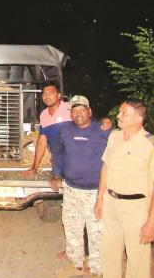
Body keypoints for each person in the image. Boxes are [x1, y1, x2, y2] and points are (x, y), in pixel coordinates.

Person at [94, 99, 154, 278]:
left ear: (138, 119)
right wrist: (100, 198)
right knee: (110, 253)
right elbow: (106, 167)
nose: (118, 116)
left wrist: (152, 222)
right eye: (120, 112)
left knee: (138, 259)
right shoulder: (114, 136)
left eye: (124, 114)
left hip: (137, 209)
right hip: (111, 204)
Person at [49, 95, 111, 276]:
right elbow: (58, 153)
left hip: (95, 192)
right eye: (74, 111)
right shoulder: (65, 130)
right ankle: (76, 263)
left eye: (82, 110)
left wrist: (110, 122)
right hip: (71, 189)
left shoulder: (103, 129)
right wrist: (56, 174)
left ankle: (97, 268)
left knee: (96, 232)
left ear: (89, 111)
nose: (78, 114)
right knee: (71, 226)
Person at [23, 81, 72, 176]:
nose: (47, 96)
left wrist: (103, 121)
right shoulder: (44, 115)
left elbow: (86, 119)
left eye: (50, 93)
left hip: (75, 163)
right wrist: (34, 168)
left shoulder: (70, 109)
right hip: (58, 164)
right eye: (44, 94)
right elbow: (42, 142)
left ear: (58, 95)